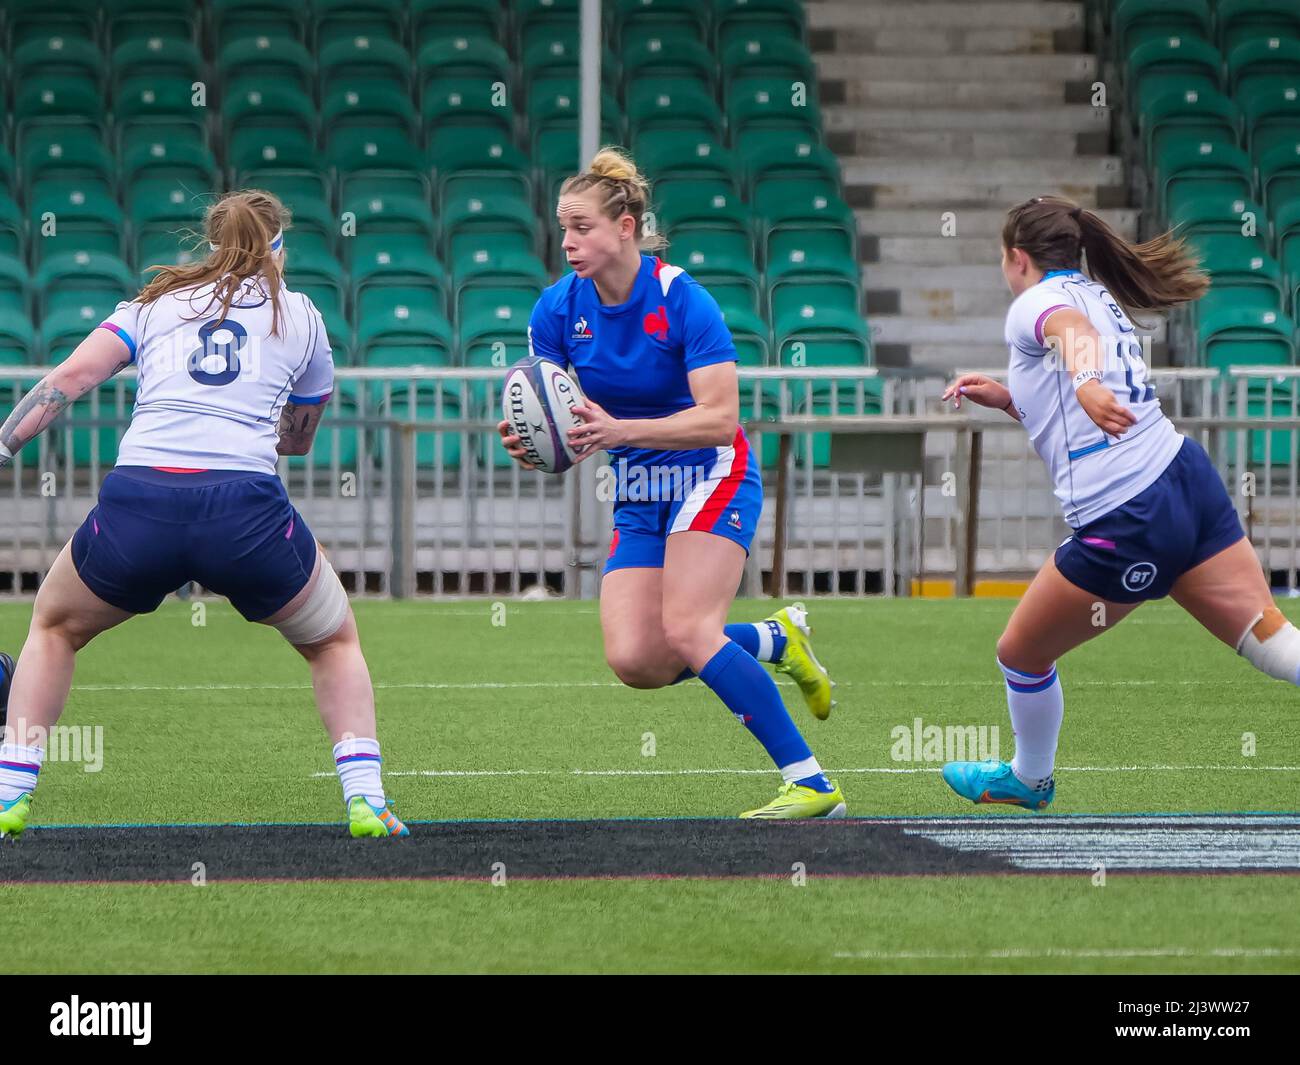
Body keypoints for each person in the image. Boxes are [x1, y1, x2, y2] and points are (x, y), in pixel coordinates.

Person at [0, 190, 406, 839]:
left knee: (52, 626)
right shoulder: (301, 316)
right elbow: (298, 439)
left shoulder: (153, 306)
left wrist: (3, 443)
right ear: (279, 247)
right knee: (333, 641)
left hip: (140, 503)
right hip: (244, 510)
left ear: (214, 243)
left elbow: (68, 380)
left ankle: (9, 796)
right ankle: (367, 799)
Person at [498, 147, 842, 819]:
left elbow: (720, 420)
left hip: (712, 474)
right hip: (639, 492)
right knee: (636, 659)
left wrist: (620, 432)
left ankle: (812, 782)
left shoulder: (682, 297)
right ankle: (776, 641)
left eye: (582, 227)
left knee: (687, 626)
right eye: (563, 228)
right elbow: (552, 409)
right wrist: (530, 443)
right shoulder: (556, 309)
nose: (568, 242)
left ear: (626, 225)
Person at [941, 194, 1289, 810]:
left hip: (1127, 514)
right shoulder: (1096, 294)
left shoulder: (1036, 304)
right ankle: (1027, 778)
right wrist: (1012, 398)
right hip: (1184, 478)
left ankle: (1029, 779)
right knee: (1270, 637)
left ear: (1017, 258)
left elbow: (1070, 339)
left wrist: (1085, 383)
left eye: (1002, 257)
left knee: (1019, 653)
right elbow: (1069, 374)